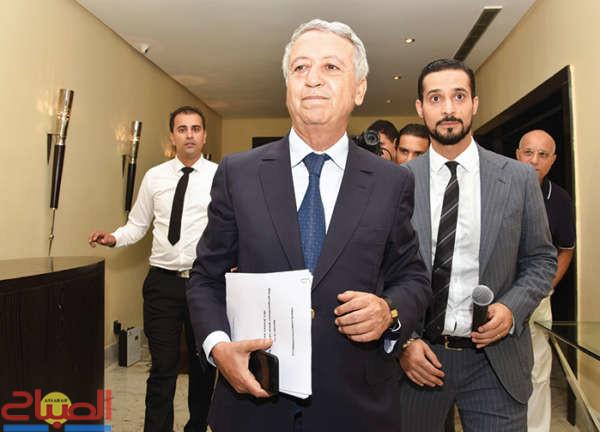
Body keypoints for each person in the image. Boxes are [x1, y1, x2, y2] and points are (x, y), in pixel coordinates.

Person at [186, 19, 430, 432]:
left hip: (357, 408)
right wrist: (218, 347)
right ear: (287, 87)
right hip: (253, 405)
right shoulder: (238, 174)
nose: (313, 79)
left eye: (331, 67)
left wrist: (388, 311)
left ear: (359, 89)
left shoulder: (392, 182)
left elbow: (413, 277)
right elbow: (205, 278)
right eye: (300, 68)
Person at [398, 59, 557, 431]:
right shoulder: (397, 182)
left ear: (474, 104)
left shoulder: (518, 178)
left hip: (495, 361)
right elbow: (380, 269)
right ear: (420, 108)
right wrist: (403, 341)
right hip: (419, 358)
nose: (448, 108)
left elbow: (541, 259)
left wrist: (512, 309)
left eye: (459, 96)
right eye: (435, 98)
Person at [88, 106, 217, 432]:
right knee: (162, 367)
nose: (189, 135)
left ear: (204, 135)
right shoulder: (154, 177)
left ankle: (197, 427)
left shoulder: (220, 177)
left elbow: (230, 226)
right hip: (162, 284)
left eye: (195, 128)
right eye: (182, 129)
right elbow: (137, 224)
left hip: (204, 284)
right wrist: (114, 238)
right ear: (172, 136)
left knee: (204, 367)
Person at [516, 129, 575, 432]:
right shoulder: (499, 189)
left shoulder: (560, 199)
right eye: (528, 152)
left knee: (538, 370)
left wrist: (547, 287)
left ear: (552, 161)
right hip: (500, 296)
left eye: (542, 155)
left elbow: (566, 248)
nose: (534, 160)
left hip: (538, 299)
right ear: (517, 155)